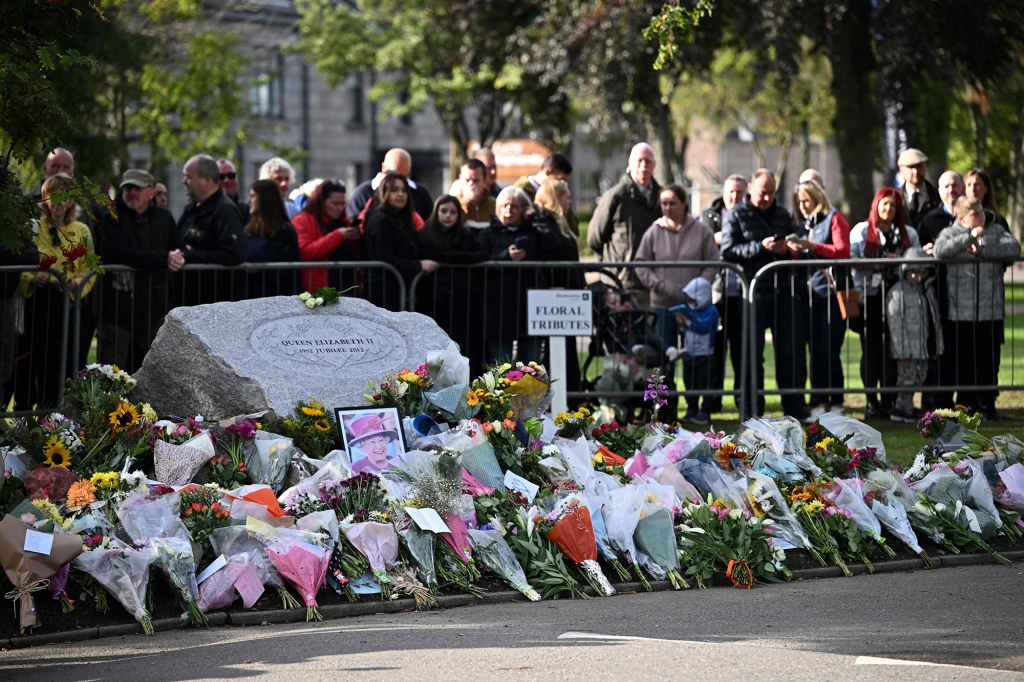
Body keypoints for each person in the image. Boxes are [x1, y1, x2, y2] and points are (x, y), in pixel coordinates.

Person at [721, 168, 808, 419]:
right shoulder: (736, 214)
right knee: (752, 353)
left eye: (771, 193)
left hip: (782, 292)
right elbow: (728, 250)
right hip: (752, 293)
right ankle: (753, 409)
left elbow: (796, 241)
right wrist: (760, 247)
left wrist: (788, 248)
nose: (767, 198)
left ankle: (793, 409)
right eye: (762, 193)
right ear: (751, 189)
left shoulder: (782, 214)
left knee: (787, 353)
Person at [635, 183, 719, 420]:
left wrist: (697, 290)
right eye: (664, 203)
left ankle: (695, 409)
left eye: (673, 203)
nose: (668, 208)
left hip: (696, 309)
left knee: (695, 360)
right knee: (663, 360)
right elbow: (640, 263)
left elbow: (712, 262)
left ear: (684, 203)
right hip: (663, 307)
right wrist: (659, 285)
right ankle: (665, 410)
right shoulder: (654, 231)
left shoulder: (701, 230)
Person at [933, 196, 1020, 419]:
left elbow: (1013, 248)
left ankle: (988, 404)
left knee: (989, 361)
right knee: (964, 361)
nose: (982, 216)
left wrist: (984, 249)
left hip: (989, 310)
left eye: (981, 211)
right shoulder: (951, 232)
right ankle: (966, 404)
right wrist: (967, 238)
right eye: (975, 214)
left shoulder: (995, 230)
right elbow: (940, 251)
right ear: (961, 217)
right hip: (960, 312)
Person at [15, 174, 96, 408]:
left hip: (68, 306)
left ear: (71, 201)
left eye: (65, 197)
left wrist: (75, 283)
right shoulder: (33, 227)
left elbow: (90, 270)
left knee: (65, 361)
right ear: (44, 198)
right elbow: (20, 264)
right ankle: (29, 416)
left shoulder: (81, 230)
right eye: (53, 196)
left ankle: (60, 414)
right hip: (37, 305)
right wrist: (33, 276)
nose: (58, 202)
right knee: (34, 362)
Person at [97, 169, 184, 373]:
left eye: (136, 188)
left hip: (154, 311)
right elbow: (121, 254)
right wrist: (164, 258)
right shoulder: (111, 217)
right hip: (117, 311)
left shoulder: (164, 218)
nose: (131, 192)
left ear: (150, 192)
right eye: (127, 187)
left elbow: (177, 247)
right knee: (111, 375)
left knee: (151, 374)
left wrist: (178, 256)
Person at [849, 187, 920, 418]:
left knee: (892, 350)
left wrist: (899, 261)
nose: (888, 209)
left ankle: (889, 399)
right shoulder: (862, 230)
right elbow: (851, 260)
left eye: (893, 205)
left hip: (899, 299)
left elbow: (915, 262)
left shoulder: (908, 233)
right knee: (870, 350)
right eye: (884, 204)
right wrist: (878, 262)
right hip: (869, 297)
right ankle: (871, 401)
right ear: (876, 205)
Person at [787, 180, 851, 421]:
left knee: (830, 350)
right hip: (809, 296)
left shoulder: (835, 218)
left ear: (816, 198)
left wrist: (812, 245)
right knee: (816, 351)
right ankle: (820, 400)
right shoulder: (804, 224)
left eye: (806, 200)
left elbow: (843, 251)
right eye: (799, 202)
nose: (802, 206)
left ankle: (837, 402)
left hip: (831, 296)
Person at [477, 186, 548, 365]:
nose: (508, 210)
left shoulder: (533, 232)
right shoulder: (488, 233)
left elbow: (553, 245)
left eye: (514, 206)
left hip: (529, 309)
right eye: (504, 205)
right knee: (500, 368)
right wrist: (505, 257)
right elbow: (479, 263)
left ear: (523, 209)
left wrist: (535, 218)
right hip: (498, 310)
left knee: (531, 369)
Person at [587, 142, 662, 308]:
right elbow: (594, 238)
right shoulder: (616, 196)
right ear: (630, 163)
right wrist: (615, 266)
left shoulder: (662, 198)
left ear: (654, 165)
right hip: (621, 285)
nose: (644, 166)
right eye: (640, 161)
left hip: (654, 285)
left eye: (648, 161)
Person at [417, 195, 487, 371]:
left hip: (460, 297)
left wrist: (449, 257)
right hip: (432, 297)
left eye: (453, 212)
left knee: (459, 342)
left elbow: (480, 254)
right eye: (444, 211)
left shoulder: (465, 234)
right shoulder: (425, 233)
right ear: (436, 212)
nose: (448, 215)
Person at [534, 178, 585, 394]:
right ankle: (550, 397)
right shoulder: (542, 222)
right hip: (551, 296)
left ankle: (571, 394)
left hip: (567, 296)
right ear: (555, 198)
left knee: (568, 348)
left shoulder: (562, 223)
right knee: (549, 351)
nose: (569, 202)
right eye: (566, 197)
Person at [701, 174, 747, 412]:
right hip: (716, 293)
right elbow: (701, 242)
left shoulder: (750, 214)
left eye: (739, 192)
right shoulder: (709, 216)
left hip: (742, 293)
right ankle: (714, 400)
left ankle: (743, 400)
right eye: (731, 191)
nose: (734, 196)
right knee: (715, 350)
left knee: (742, 350)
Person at [363, 171, 438, 311]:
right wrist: (418, 265)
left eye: (404, 190)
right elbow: (384, 257)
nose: (400, 194)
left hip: (398, 287)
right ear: (384, 192)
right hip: (384, 290)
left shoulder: (402, 218)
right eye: (394, 190)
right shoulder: (380, 219)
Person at [177, 154, 246, 305]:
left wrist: (191, 254)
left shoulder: (225, 211)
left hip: (212, 302)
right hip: (188, 299)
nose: (184, 182)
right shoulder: (191, 208)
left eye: (188, 177)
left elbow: (233, 254)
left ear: (206, 180)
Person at [886, 247, 943, 423]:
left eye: (923, 271)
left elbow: (934, 320)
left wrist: (938, 343)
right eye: (914, 271)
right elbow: (895, 322)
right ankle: (901, 408)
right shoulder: (897, 292)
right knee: (906, 379)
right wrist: (901, 347)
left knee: (919, 377)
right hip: (907, 348)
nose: (918, 275)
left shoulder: (927, 291)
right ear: (906, 271)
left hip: (923, 346)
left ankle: (908, 407)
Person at [293, 180, 361, 293]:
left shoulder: (344, 222)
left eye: (343, 204)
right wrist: (338, 236)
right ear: (322, 202)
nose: (340, 208)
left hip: (347, 289)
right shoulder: (302, 220)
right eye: (335, 204)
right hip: (318, 293)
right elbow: (305, 251)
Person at [243, 179, 301, 298]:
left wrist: (261, 268)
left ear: (265, 199)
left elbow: (289, 271)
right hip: (248, 297)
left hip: (273, 298)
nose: (249, 201)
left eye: (253, 196)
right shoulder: (250, 228)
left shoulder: (284, 232)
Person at [673, 278, 719, 423]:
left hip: (704, 354)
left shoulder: (712, 311)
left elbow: (704, 328)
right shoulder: (689, 311)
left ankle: (705, 411)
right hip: (689, 353)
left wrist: (686, 321)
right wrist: (682, 325)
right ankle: (691, 409)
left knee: (705, 384)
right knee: (690, 384)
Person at [347, 148, 434, 222]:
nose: (400, 194)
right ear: (383, 167)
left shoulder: (420, 193)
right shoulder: (363, 193)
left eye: (404, 176)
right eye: (394, 189)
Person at [919, 171, 965, 250]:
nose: (951, 190)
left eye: (955, 185)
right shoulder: (929, 221)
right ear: (939, 191)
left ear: (963, 188)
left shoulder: (976, 215)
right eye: (946, 186)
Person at [898, 148, 940, 229]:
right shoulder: (895, 199)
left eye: (919, 165)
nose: (915, 171)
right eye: (910, 167)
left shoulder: (938, 197)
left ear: (926, 166)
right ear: (901, 170)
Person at [456, 159, 496, 229]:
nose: (471, 184)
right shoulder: (454, 204)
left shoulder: (494, 205)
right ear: (460, 179)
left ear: (484, 180)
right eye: (467, 180)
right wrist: (466, 201)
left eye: (476, 181)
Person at [217, 158, 249, 225]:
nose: (226, 180)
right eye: (221, 177)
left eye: (231, 175)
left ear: (236, 178)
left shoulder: (247, 211)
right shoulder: (204, 211)